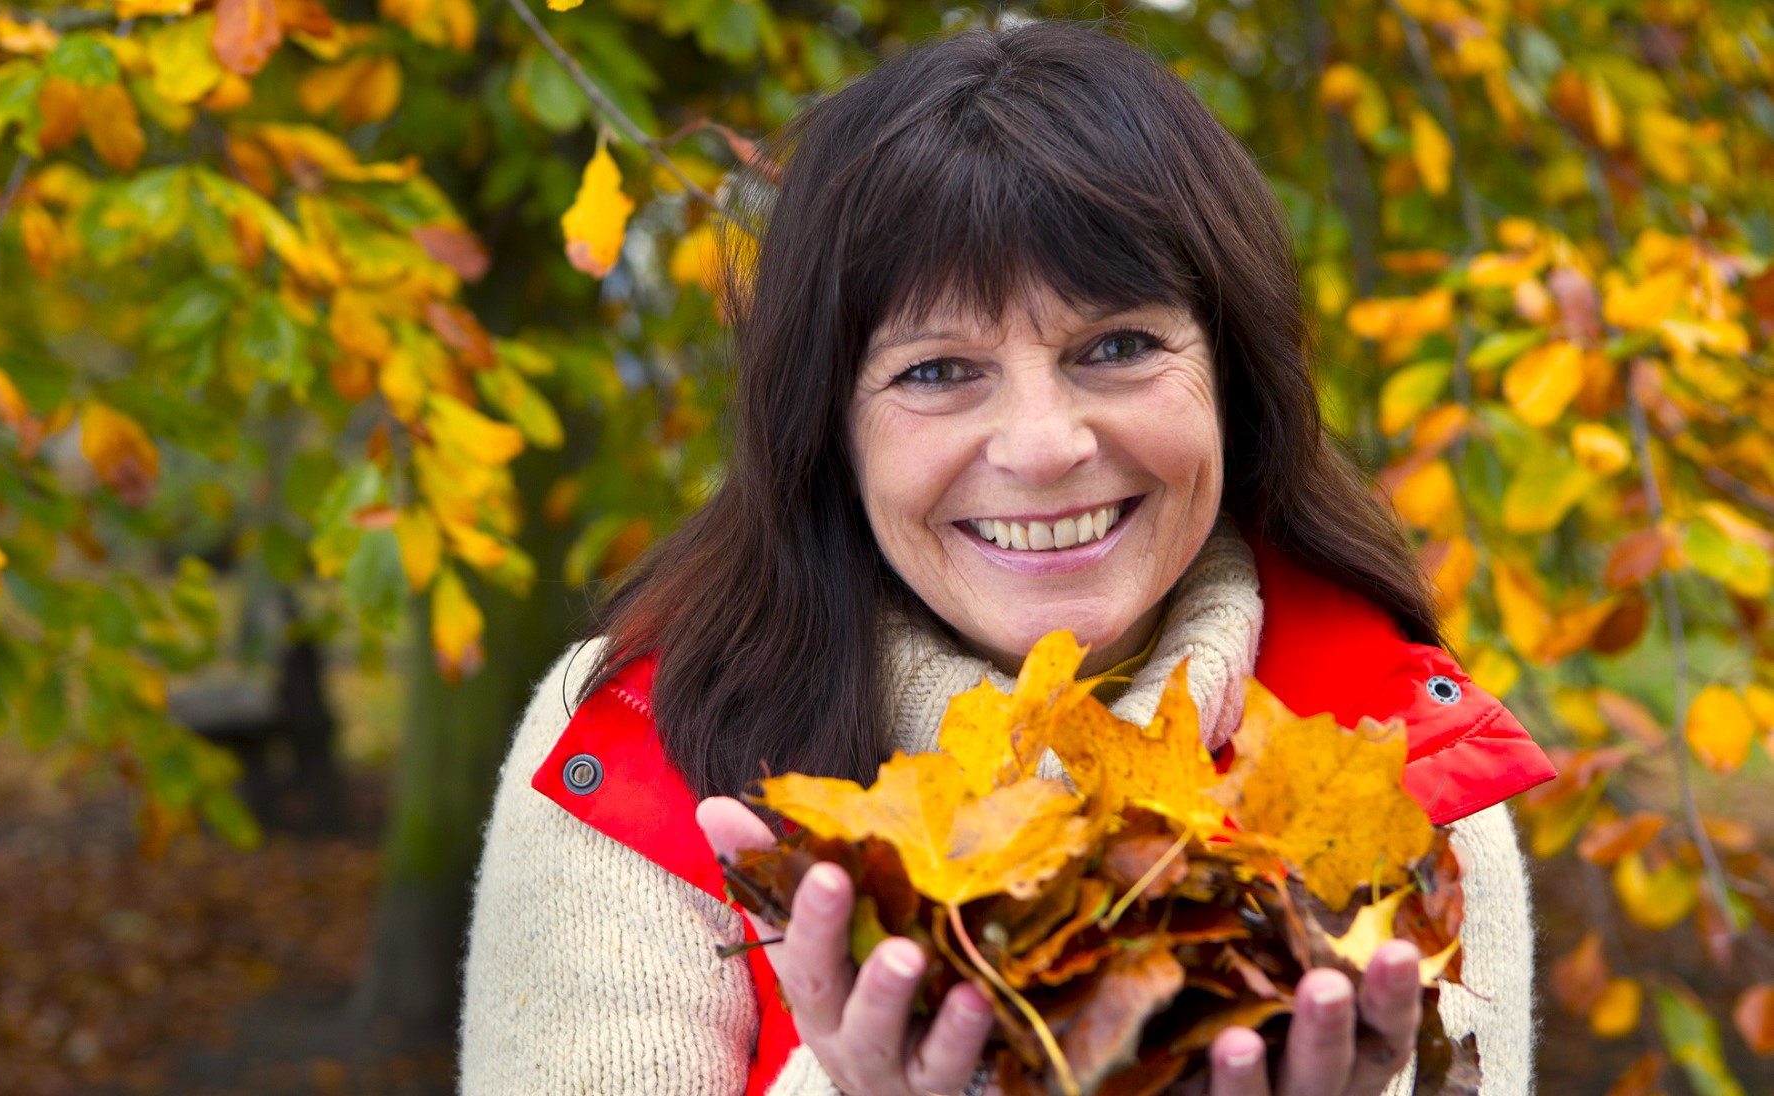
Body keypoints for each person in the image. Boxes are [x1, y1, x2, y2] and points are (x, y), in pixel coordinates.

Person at [459, 19, 1555, 1096]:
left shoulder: (1397, 760)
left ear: (1231, 375)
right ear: (827, 428)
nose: (1043, 447)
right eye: (937, 371)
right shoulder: (640, 749)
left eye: (1116, 347)